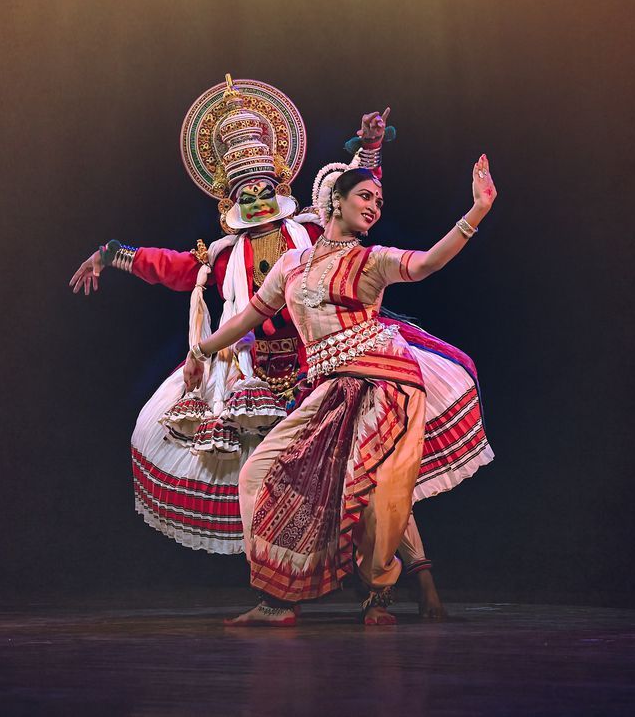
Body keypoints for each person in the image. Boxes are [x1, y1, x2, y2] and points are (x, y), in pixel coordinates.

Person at [182, 147, 497, 625]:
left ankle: (378, 595)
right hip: (327, 389)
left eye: (379, 202)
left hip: (385, 383)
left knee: (377, 492)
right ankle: (277, 600)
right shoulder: (292, 264)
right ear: (335, 203)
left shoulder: (373, 261)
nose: (374, 206)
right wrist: (199, 352)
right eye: (365, 196)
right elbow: (247, 317)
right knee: (256, 475)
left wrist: (477, 210)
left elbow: (429, 263)